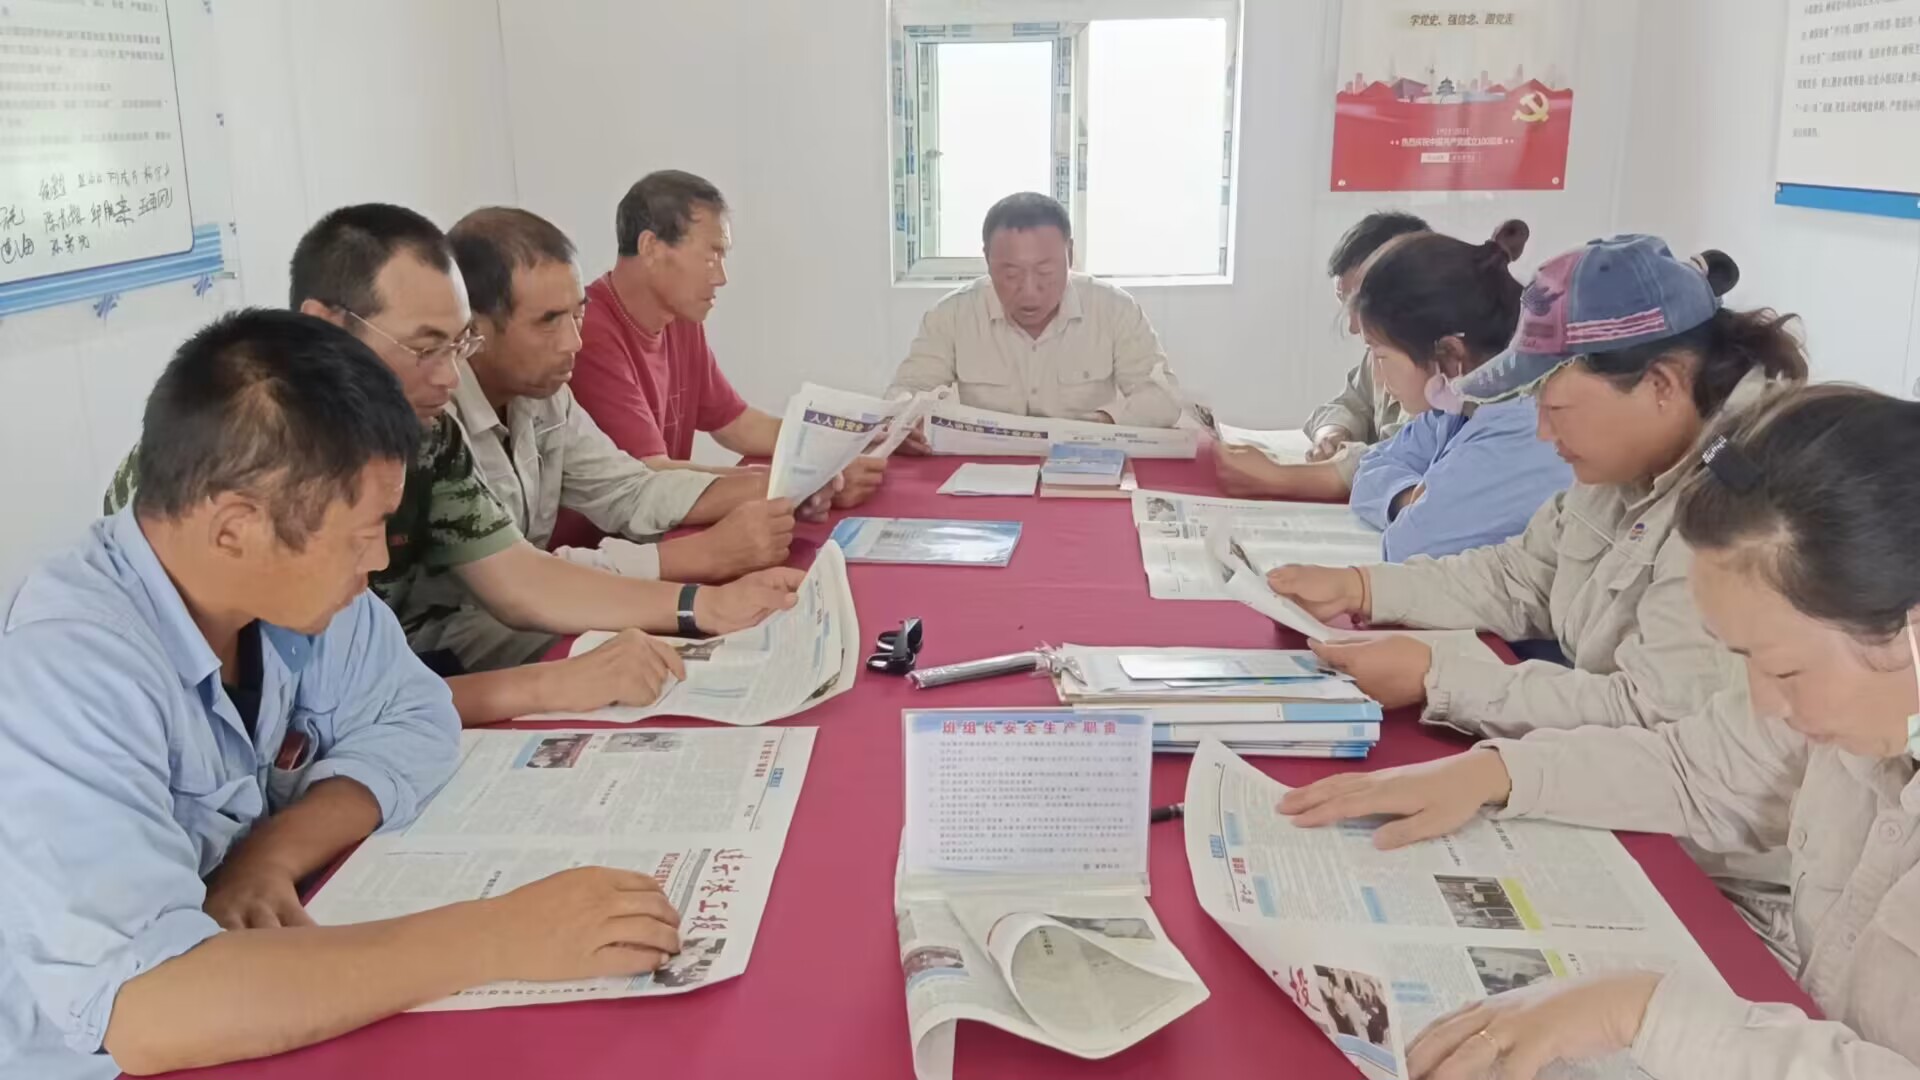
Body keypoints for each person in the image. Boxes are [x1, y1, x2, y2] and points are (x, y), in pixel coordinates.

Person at [0, 310, 681, 1080]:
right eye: (362, 534)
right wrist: (498, 937)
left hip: (257, 983)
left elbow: (416, 715)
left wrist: (271, 854)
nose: (378, 559)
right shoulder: (68, 670)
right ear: (235, 529)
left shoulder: (296, 593)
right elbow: (145, 1008)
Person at [1277, 385, 1920, 1079]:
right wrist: (1495, 773)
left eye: (1785, 670)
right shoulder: (1862, 708)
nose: (1765, 703)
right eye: (1745, 662)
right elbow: (1692, 769)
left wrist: (1640, 1013)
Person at [107, 204, 804, 724]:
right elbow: (324, 722)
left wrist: (699, 606)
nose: (448, 376)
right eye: (426, 347)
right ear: (329, 324)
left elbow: (512, 581)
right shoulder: (229, 463)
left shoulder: (422, 434)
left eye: (458, 345)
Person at [1264, 236, 1806, 738]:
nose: (1544, 433)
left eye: (1558, 409)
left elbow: (1650, 712)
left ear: (1660, 384)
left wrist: (1439, 677)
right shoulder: (1629, 458)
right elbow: (1522, 576)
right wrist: (1361, 588)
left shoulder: (1744, 509)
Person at [437, 207, 804, 669]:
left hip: (537, 607)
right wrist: (699, 568)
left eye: (578, 314)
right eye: (548, 321)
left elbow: (629, 487)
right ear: (473, 329)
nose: (574, 342)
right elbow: (519, 583)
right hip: (462, 643)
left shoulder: (546, 395)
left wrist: (774, 485)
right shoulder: (436, 420)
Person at [570, 169, 885, 503]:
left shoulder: (680, 317)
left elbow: (736, 424)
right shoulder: (587, 331)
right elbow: (650, 475)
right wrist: (805, 482)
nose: (721, 277)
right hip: (612, 532)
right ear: (651, 247)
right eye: (711, 257)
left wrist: (838, 449)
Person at [1343, 221, 1572, 561]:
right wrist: (1408, 498)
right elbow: (1371, 467)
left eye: (1380, 355)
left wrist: (1423, 509)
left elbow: (1410, 546)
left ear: (1449, 353)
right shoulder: (1458, 406)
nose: (1377, 378)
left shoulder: (1519, 427)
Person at [885, 191, 1181, 432]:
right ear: (987, 258)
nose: (1029, 291)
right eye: (1011, 274)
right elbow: (907, 391)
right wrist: (905, 423)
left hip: (1085, 461)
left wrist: (1102, 422)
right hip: (988, 467)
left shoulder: (1114, 309)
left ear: (1070, 254)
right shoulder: (951, 315)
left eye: (1045, 272)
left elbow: (1163, 397)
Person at [1214, 211, 1427, 499]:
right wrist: (1332, 434)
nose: (1353, 327)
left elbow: (1406, 456)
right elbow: (1350, 403)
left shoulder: (1450, 375)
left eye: (1362, 305)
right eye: (1344, 302)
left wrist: (1283, 479)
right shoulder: (1382, 353)